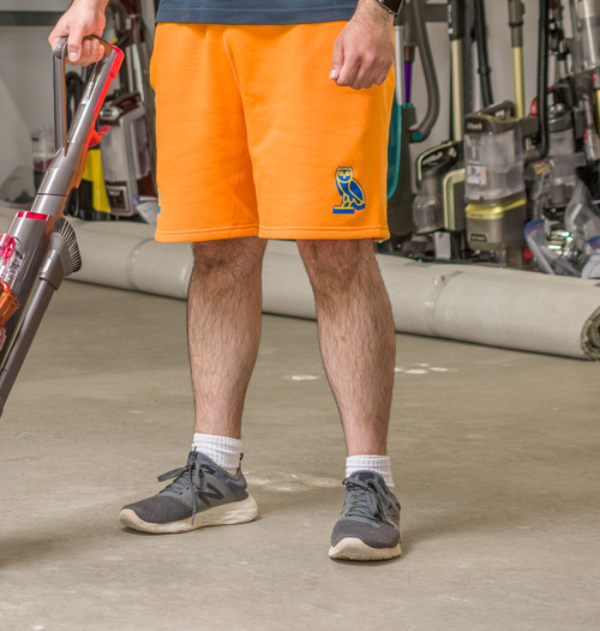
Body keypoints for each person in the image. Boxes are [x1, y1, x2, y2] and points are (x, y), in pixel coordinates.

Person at [49, 0, 404, 561]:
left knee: (337, 251)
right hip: (194, 28)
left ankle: (371, 481)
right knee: (218, 248)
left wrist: (378, 12)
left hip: (320, 24)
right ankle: (216, 471)